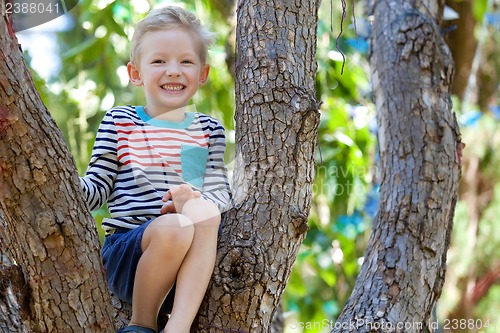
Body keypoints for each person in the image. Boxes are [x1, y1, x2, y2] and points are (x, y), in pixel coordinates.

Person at [79, 6, 231, 333]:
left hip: (190, 266)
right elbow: (94, 192)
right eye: (159, 61)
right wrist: (60, 182)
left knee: (202, 212)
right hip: (131, 253)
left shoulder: (205, 130)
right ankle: (142, 323)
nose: (173, 71)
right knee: (174, 226)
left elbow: (221, 193)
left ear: (202, 74)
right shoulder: (121, 122)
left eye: (186, 61)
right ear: (136, 74)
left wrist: (193, 198)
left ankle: (178, 326)